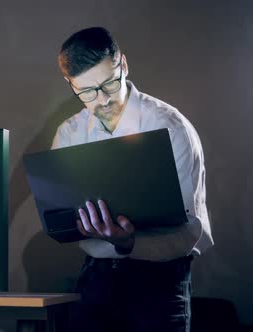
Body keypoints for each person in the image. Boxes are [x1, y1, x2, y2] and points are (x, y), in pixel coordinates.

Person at [52, 27, 213, 332]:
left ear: (123, 65)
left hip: (161, 282)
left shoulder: (170, 128)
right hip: (96, 279)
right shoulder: (69, 134)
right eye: (86, 92)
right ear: (70, 84)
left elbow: (187, 227)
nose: (101, 100)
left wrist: (129, 242)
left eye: (109, 84)